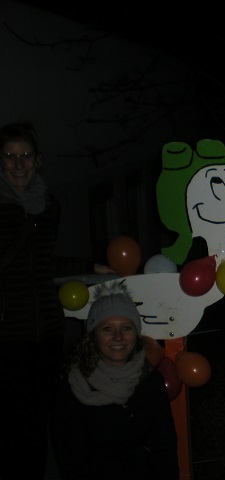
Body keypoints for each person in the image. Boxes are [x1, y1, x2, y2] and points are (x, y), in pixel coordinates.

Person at [0, 122, 113, 480]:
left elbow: (44, 263)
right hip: (8, 335)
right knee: (12, 426)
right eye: (10, 157)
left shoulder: (49, 207)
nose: (19, 164)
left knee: (39, 423)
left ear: (38, 160)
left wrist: (89, 266)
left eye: (26, 155)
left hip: (47, 333)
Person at [51, 282, 179, 480]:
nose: (118, 337)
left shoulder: (150, 381)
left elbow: (165, 449)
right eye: (108, 329)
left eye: (126, 328)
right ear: (93, 336)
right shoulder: (73, 387)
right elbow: (72, 461)